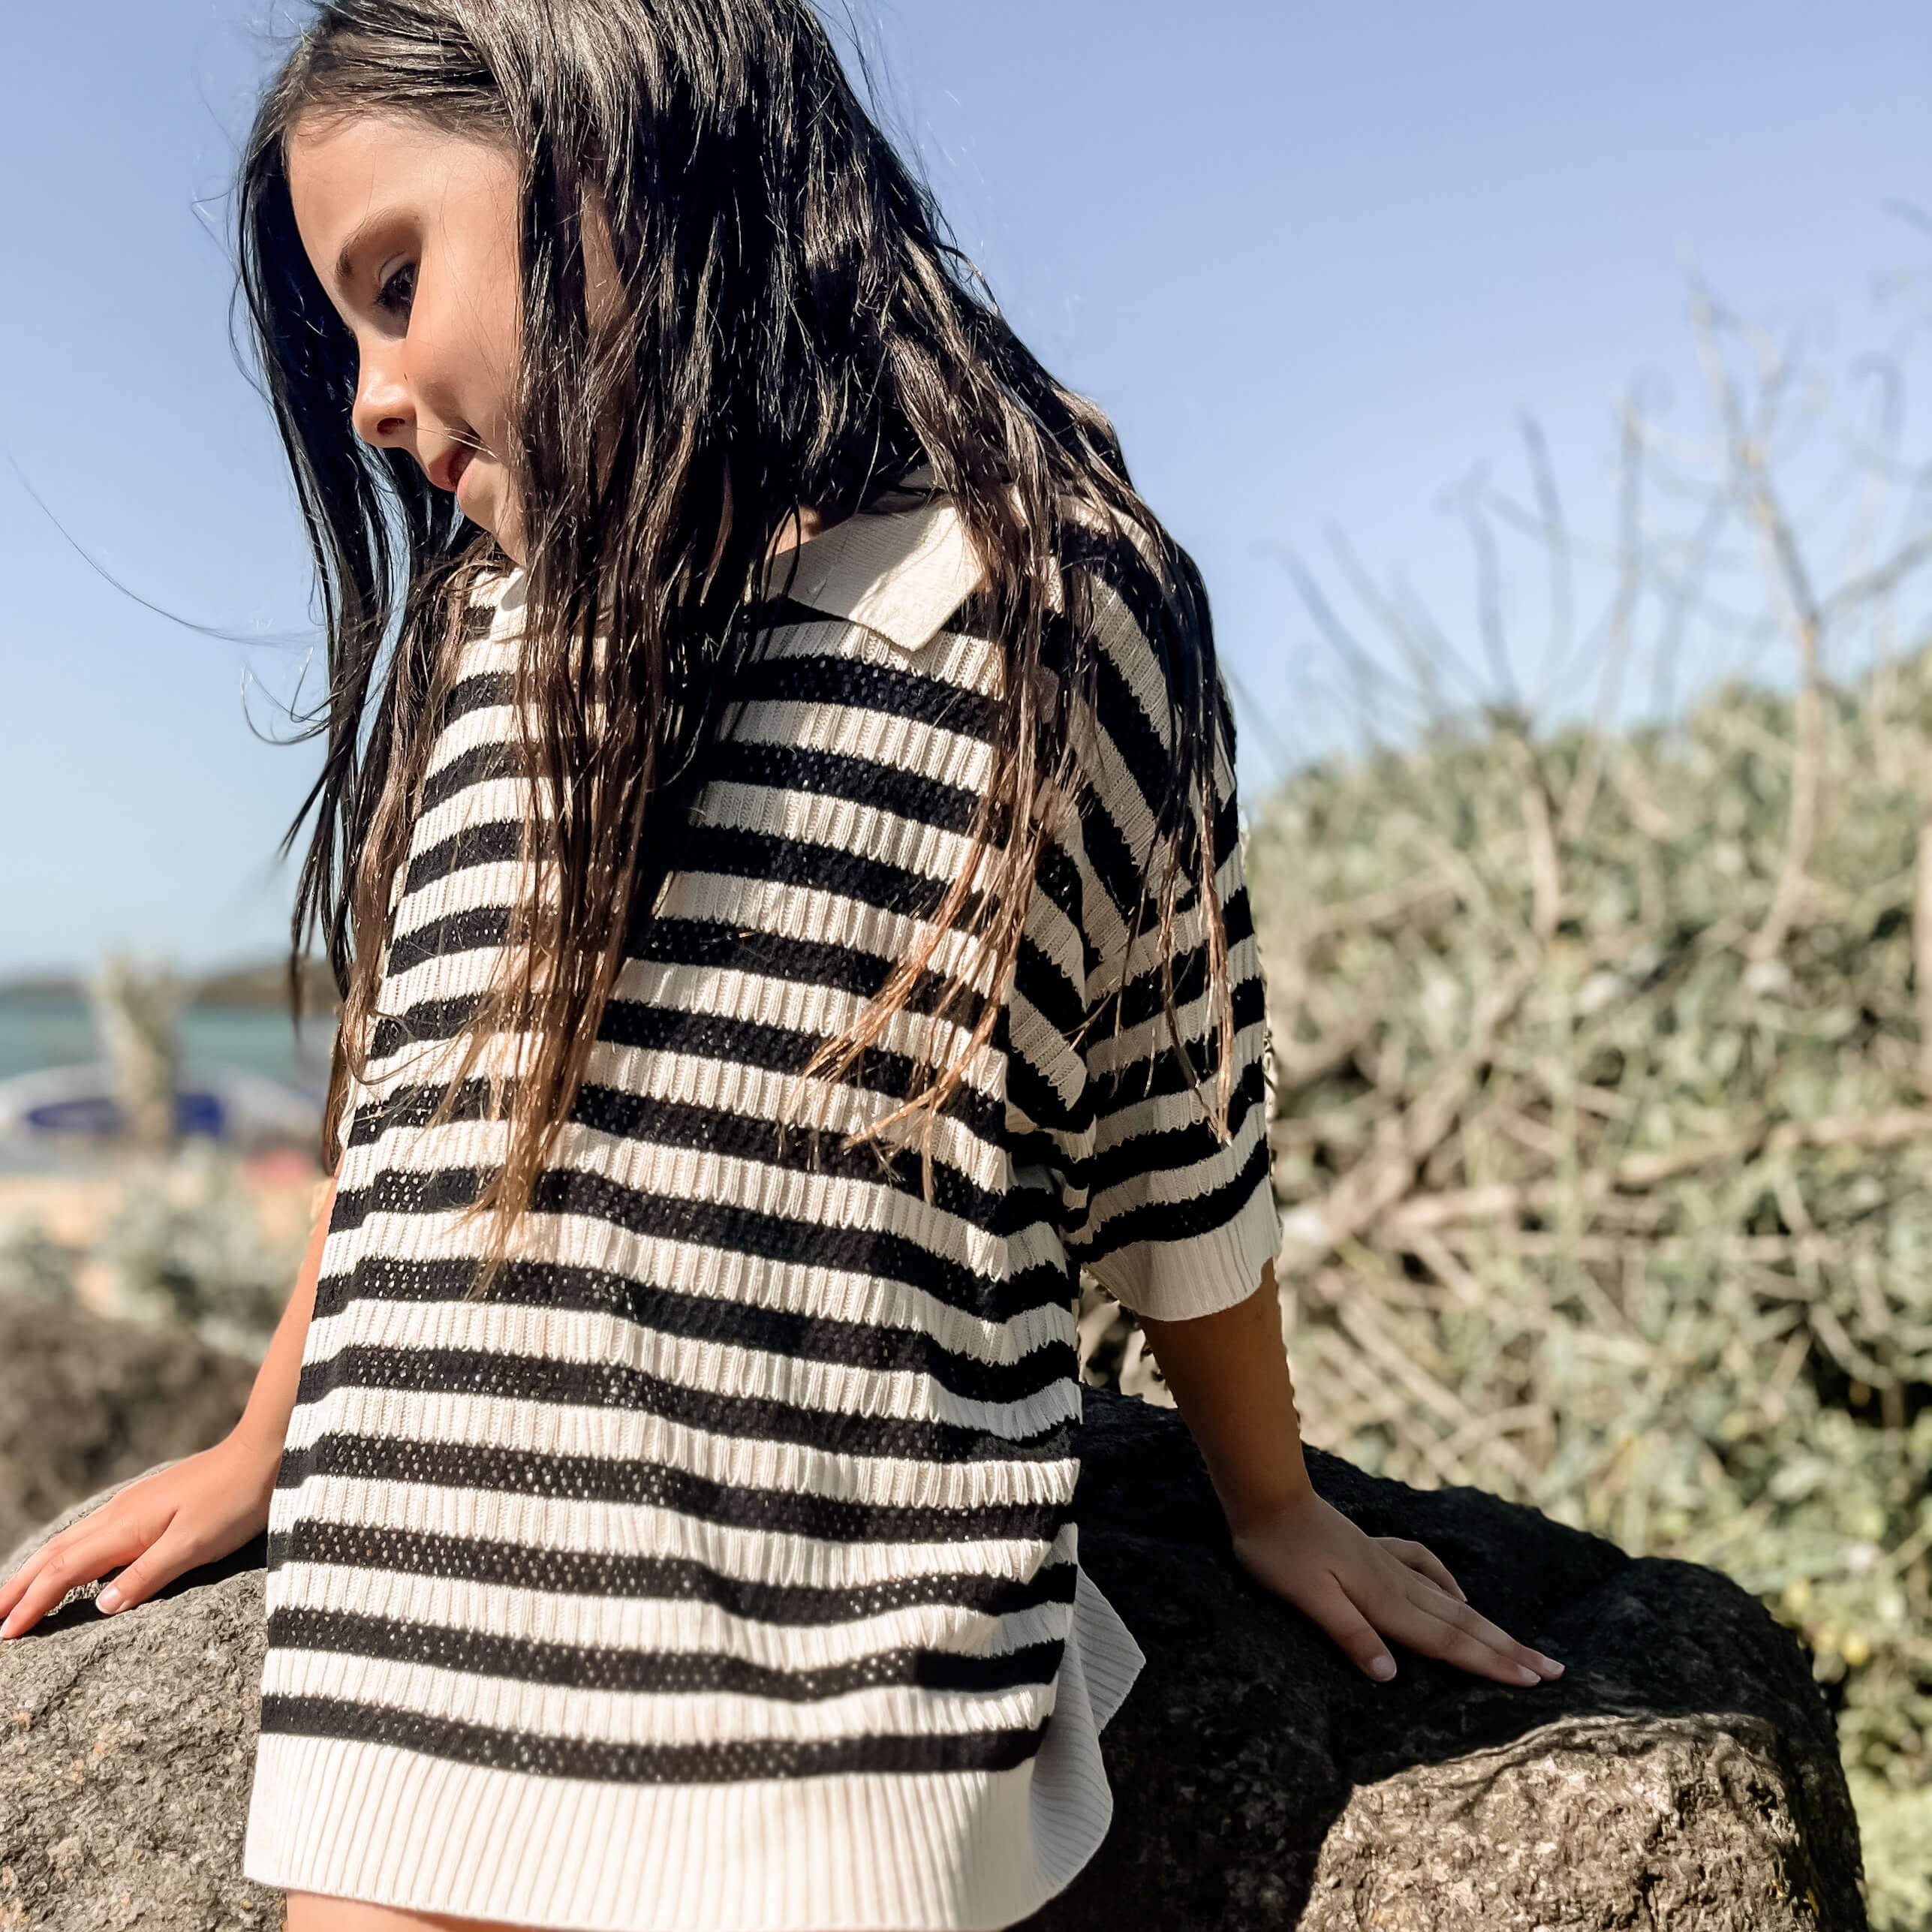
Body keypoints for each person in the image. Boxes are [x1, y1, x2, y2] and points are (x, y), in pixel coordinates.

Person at [0, 4, 1562, 1927]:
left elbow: (1173, 1108)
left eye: (397, 286)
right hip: (417, 1674)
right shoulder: (496, 634)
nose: (370, 398)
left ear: (624, 147)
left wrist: (1273, 1499)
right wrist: (266, 1442)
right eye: (347, 334)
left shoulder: (1054, 596)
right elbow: (415, 1103)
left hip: (858, 1704)